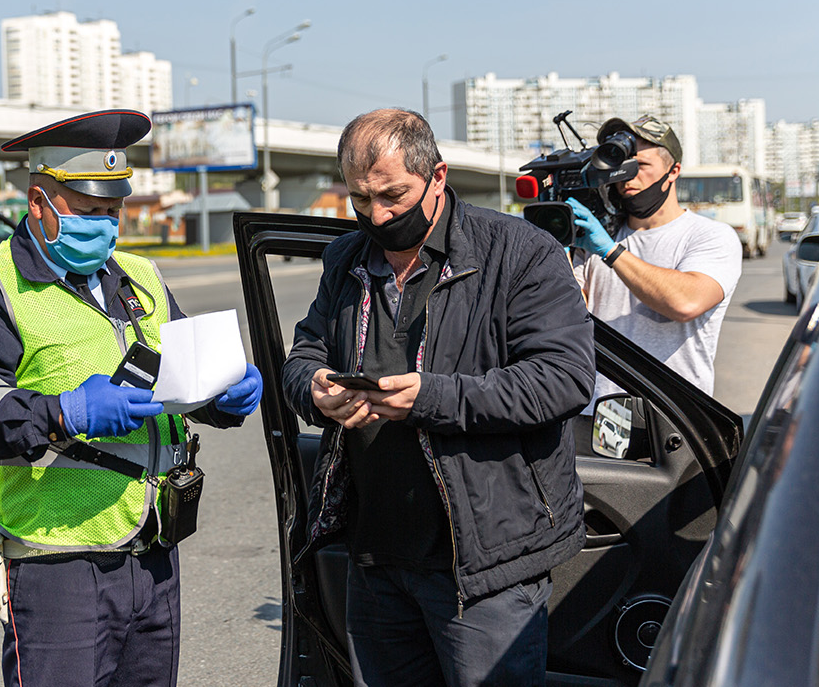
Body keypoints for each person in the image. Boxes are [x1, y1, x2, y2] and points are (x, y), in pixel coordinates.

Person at [0, 109, 263, 687]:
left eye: (113, 211)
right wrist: (62, 413)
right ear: (39, 204)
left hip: (152, 549)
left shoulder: (139, 277)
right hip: (58, 563)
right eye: (88, 211)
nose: (106, 226)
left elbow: (178, 374)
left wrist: (220, 394)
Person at [281, 109, 594, 687]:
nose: (377, 214)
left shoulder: (520, 253)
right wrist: (317, 390)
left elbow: (564, 377)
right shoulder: (346, 259)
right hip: (375, 557)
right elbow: (302, 357)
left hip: (484, 566)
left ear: (438, 176)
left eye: (393, 195)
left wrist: (433, 398)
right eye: (360, 199)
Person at [566, 115, 742, 405]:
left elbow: (685, 303)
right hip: (594, 416)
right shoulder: (593, 237)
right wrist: (560, 253)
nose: (627, 176)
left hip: (672, 423)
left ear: (673, 171)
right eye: (620, 166)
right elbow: (572, 317)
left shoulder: (711, 236)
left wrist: (610, 252)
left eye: (641, 165)